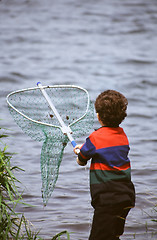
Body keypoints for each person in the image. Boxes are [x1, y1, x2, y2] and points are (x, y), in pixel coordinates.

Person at [74, 90, 135, 240]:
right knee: (113, 235)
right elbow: (106, 149)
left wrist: (79, 154)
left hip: (107, 200)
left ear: (98, 116)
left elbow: (83, 158)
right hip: (126, 197)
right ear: (122, 116)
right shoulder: (123, 136)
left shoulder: (95, 138)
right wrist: (85, 147)